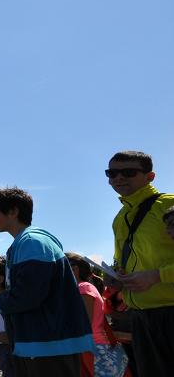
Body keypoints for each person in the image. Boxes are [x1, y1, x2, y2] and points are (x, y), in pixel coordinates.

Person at [0, 187, 93, 376]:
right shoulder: (25, 243)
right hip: (39, 343)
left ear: (13, 211)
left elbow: (28, 294)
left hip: (47, 345)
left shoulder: (32, 242)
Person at [106, 151, 174, 376]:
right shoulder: (119, 218)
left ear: (150, 176)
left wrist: (157, 276)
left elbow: (152, 272)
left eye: (128, 172)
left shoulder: (169, 205)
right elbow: (124, 262)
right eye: (112, 173)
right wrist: (116, 277)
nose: (118, 178)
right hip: (140, 317)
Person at [66, 253, 129, 377]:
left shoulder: (83, 288)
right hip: (95, 348)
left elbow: (84, 325)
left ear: (74, 269)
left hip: (93, 350)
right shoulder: (86, 288)